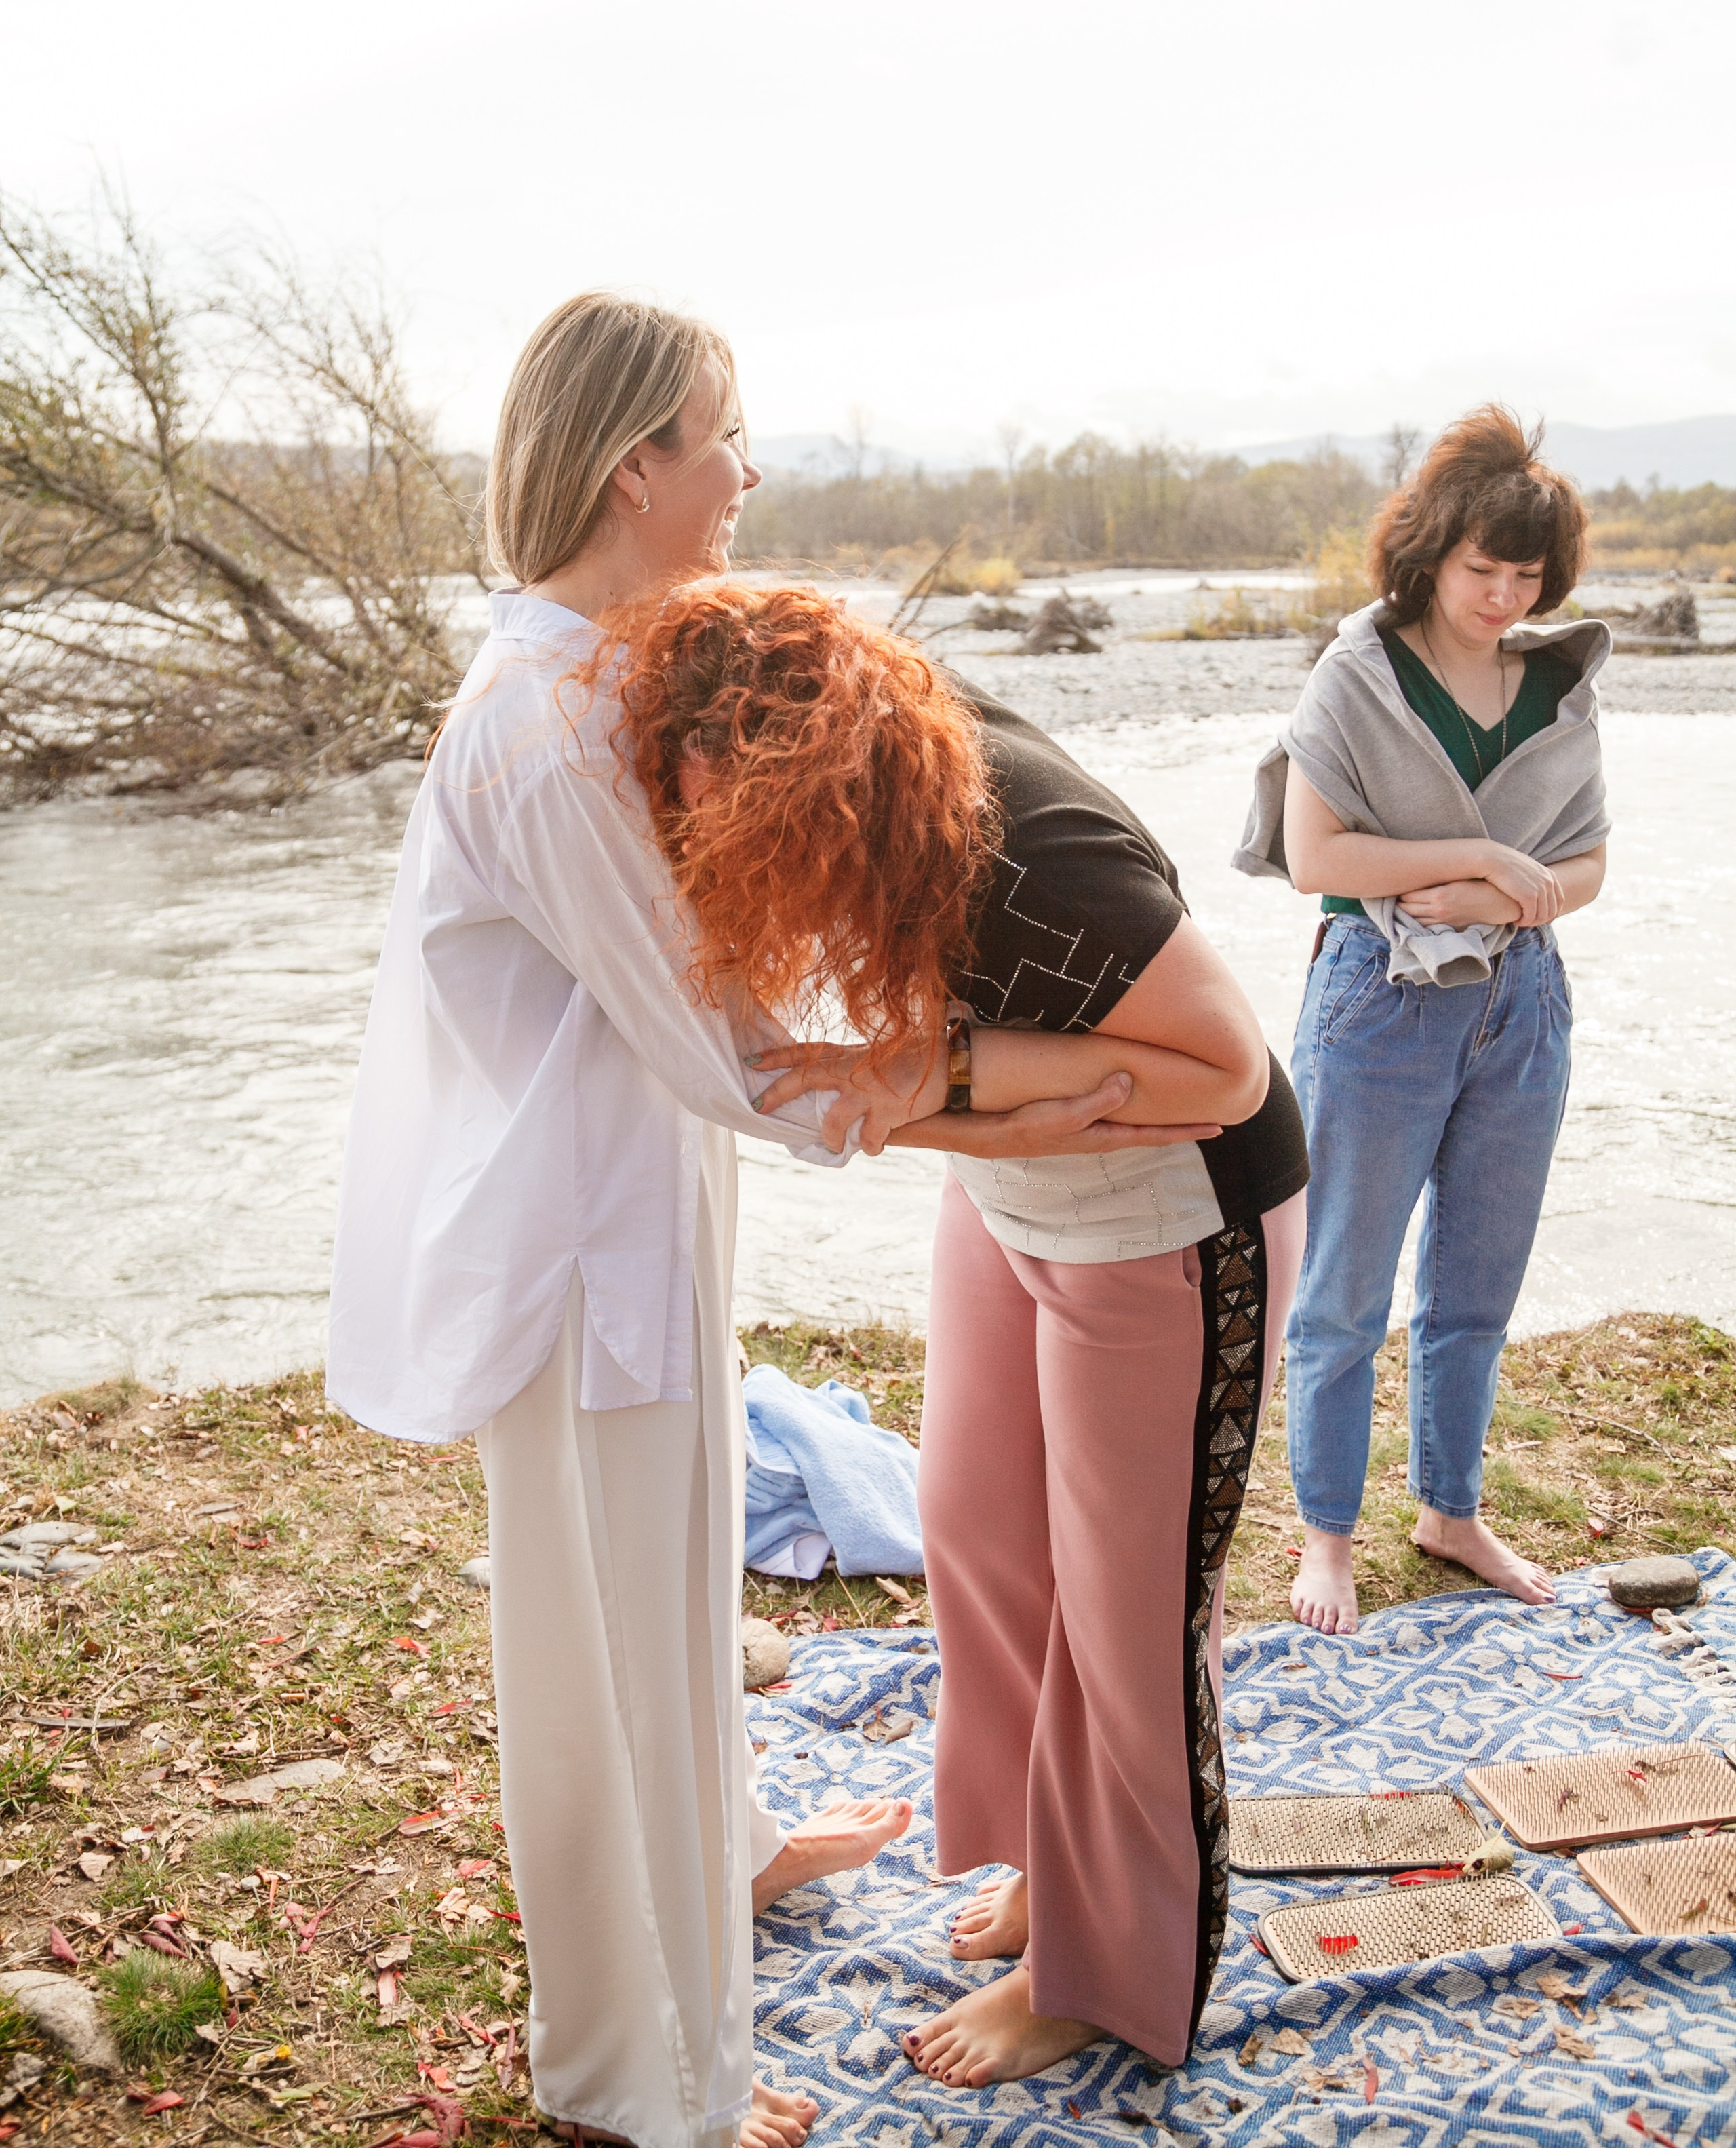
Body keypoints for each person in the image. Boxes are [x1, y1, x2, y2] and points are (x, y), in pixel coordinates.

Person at [326, 294, 1168, 2148]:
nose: (747, 471)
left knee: (667, 1591)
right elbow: (725, 1053)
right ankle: (644, 2075)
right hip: (577, 1244)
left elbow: (722, 976)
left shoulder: (603, 670)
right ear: (637, 465)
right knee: (603, 1641)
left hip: (633, 1207)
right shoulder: (547, 724)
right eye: (725, 433)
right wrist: (1004, 1089)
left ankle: (733, 1856)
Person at [578, 578, 1311, 2084]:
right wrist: (969, 1105)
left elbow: (1226, 1072)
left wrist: (938, 1076)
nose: (678, 825)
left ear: (778, 769)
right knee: (975, 1532)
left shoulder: (1026, 852)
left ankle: (1101, 1975)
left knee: (1129, 1616)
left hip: (1174, 1224)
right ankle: (1051, 1867)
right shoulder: (874, 813)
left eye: (690, 793)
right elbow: (939, 1088)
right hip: (1017, 1194)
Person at [1236, 407, 1610, 1637]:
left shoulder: (1557, 687)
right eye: (1481, 569)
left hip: (1523, 1002)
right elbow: (1314, 857)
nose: (1503, 595)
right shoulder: (1357, 674)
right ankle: (1327, 1534)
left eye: (1527, 574)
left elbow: (1590, 865)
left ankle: (1450, 1510)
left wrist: (1502, 889)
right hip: (1379, 1000)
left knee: (1476, 1284)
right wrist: (1486, 858)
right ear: (1431, 553)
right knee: (1344, 1286)